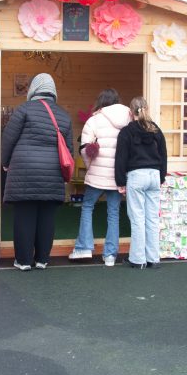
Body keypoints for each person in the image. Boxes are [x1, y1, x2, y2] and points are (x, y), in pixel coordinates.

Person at [1, 73, 73, 271]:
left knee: (25, 216)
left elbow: (8, 139)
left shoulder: (24, 109)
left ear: (34, 89)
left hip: (24, 172)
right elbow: (69, 150)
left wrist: (5, 162)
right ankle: (42, 259)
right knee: (47, 217)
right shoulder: (63, 115)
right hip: (52, 173)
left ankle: (24, 261)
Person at [69, 88, 132, 267]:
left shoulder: (94, 120)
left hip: (97, 176)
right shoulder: (129, 118)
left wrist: (90, 167)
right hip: (117, 177)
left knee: (87, 207)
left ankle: (84, 248)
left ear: (101, 101)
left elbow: (85, 150)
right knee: (113, 213)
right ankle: (110, 255)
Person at [114, 96, 167, 269]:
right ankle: (153, 258)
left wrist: (120, 181)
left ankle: (138, 259)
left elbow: (121, 158)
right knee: (152, 219)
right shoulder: (156, 130)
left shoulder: (126, 132)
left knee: (137, 219)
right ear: (147, 109)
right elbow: (163, 155)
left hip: (136, 176)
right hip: (154, 175)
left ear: (131, 112)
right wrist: (161, 177)